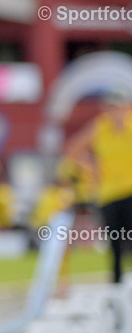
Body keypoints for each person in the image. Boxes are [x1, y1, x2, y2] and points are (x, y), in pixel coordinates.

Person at [63, 90, 132, 283]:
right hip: (108, 193)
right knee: (115, 242)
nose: (115, 112)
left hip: (130, 190)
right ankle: (117, 282)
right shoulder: (100, 127)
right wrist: (91, 168)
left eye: (118, 108)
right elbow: (72, 150)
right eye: (111, 108)